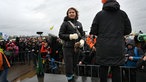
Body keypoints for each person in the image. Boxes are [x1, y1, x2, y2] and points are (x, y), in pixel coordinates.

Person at [89, 0, 132, 82]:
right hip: (118, 46)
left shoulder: (99, 15)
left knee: (103, 68)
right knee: (116, 68)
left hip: (103, 46)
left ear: (104, 2)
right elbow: (128, 30)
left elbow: (93, 31)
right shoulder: (122, 14)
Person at [59, 7, 85, 82]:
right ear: (67, 14)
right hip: (67, 47)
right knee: (69, 66)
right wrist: (70, 36)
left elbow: (82, 34)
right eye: (69, 12)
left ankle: (72, 77)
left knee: (74, 65)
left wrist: (82, 40)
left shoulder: (79, 23)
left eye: (73, 12)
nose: (71, 13)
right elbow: (60, 35)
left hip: (76, 47)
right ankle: (70, 79)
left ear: (76, 13)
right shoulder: (65, 23)